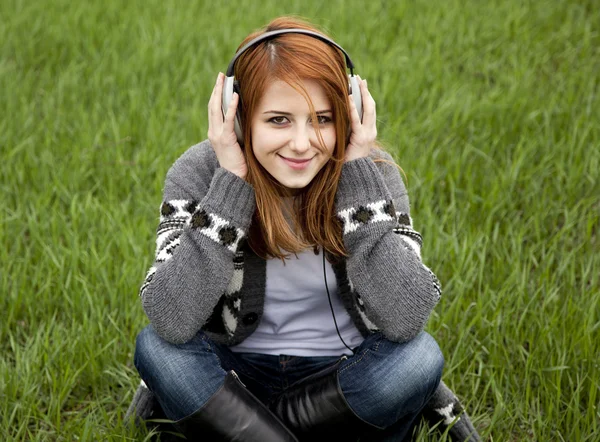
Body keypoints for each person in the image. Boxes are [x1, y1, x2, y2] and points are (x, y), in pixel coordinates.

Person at [127, 16, 480, 442]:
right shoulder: (201, 171)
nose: (301, 143)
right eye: (278, 119)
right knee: (158, 348)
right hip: (234, 375)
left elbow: (406, 319)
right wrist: (230, 185)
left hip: (345, 378)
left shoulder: (373, 177)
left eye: (322, 119)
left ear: (350, 113)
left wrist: (355, 176)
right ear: (238, 117)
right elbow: (172, 318)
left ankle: (243, 433)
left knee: (419, 358)